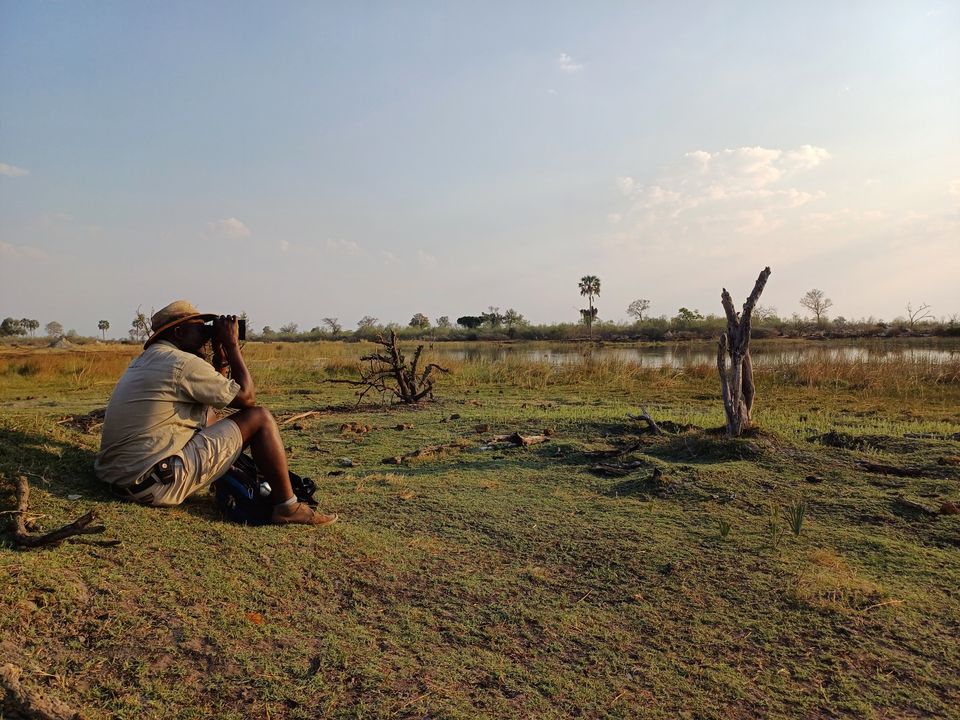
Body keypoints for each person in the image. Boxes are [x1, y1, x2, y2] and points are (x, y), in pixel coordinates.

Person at [95, 300, 337, 526]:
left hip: (119, 480)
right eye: (199, 328)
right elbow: (247, 398)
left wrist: (220, 361)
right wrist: (232, 346)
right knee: (260, 418)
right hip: (153, 486)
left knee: (211, 420)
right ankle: (288, 507)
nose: (206, 334)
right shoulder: (182, 363)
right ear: (179, 333)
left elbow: (210, 411)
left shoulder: (148, 359)